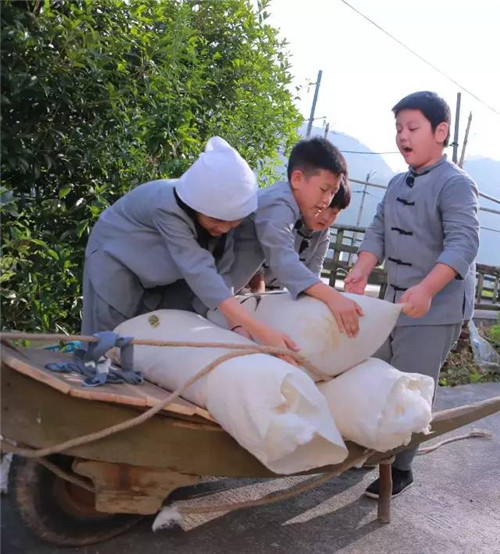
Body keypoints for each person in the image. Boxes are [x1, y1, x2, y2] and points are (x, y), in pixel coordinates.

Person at [344, 91, 480, 498]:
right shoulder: (396, 182)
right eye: (399, 129)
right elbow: (378, 230)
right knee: (374, 372)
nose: (403, 136)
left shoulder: (456, 184)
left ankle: (401, 468)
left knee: (413, 386)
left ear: (441, 132)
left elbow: (463, 244)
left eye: (412, 128)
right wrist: (361, 269)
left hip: (435, 304)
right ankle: (374, 448)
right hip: (395, 300)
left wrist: (425, 288)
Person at [82, 136, 298, 355]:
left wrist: (237, 325)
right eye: (216, 221)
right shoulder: (166, 207)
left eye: (233, 223)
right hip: (115, 258)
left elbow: (221, 274)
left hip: (154, 270)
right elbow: (199, 270)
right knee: (109, 335)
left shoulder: (220, 223)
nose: (223, 229)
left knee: (146, 335)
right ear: (195, 206)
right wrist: (260, 330)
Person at [230, 137, 362, 337]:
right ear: (297, 179)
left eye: (333, 193)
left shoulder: (299, 214)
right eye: (324, 190)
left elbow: (309, 271)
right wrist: (333, 298)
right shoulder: (279, 203)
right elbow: (282, 259)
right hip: (216, 292)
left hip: (227, 292)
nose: (326, 201)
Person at [248, 178, 351, 293]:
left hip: (277, 294)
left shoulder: (323, 236)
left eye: (334, 213)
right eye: (324, 208)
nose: (326, 217)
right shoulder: (284, 216)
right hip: (247, 288)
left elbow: (313, 274)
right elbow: (254, 255)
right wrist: (259, 291)